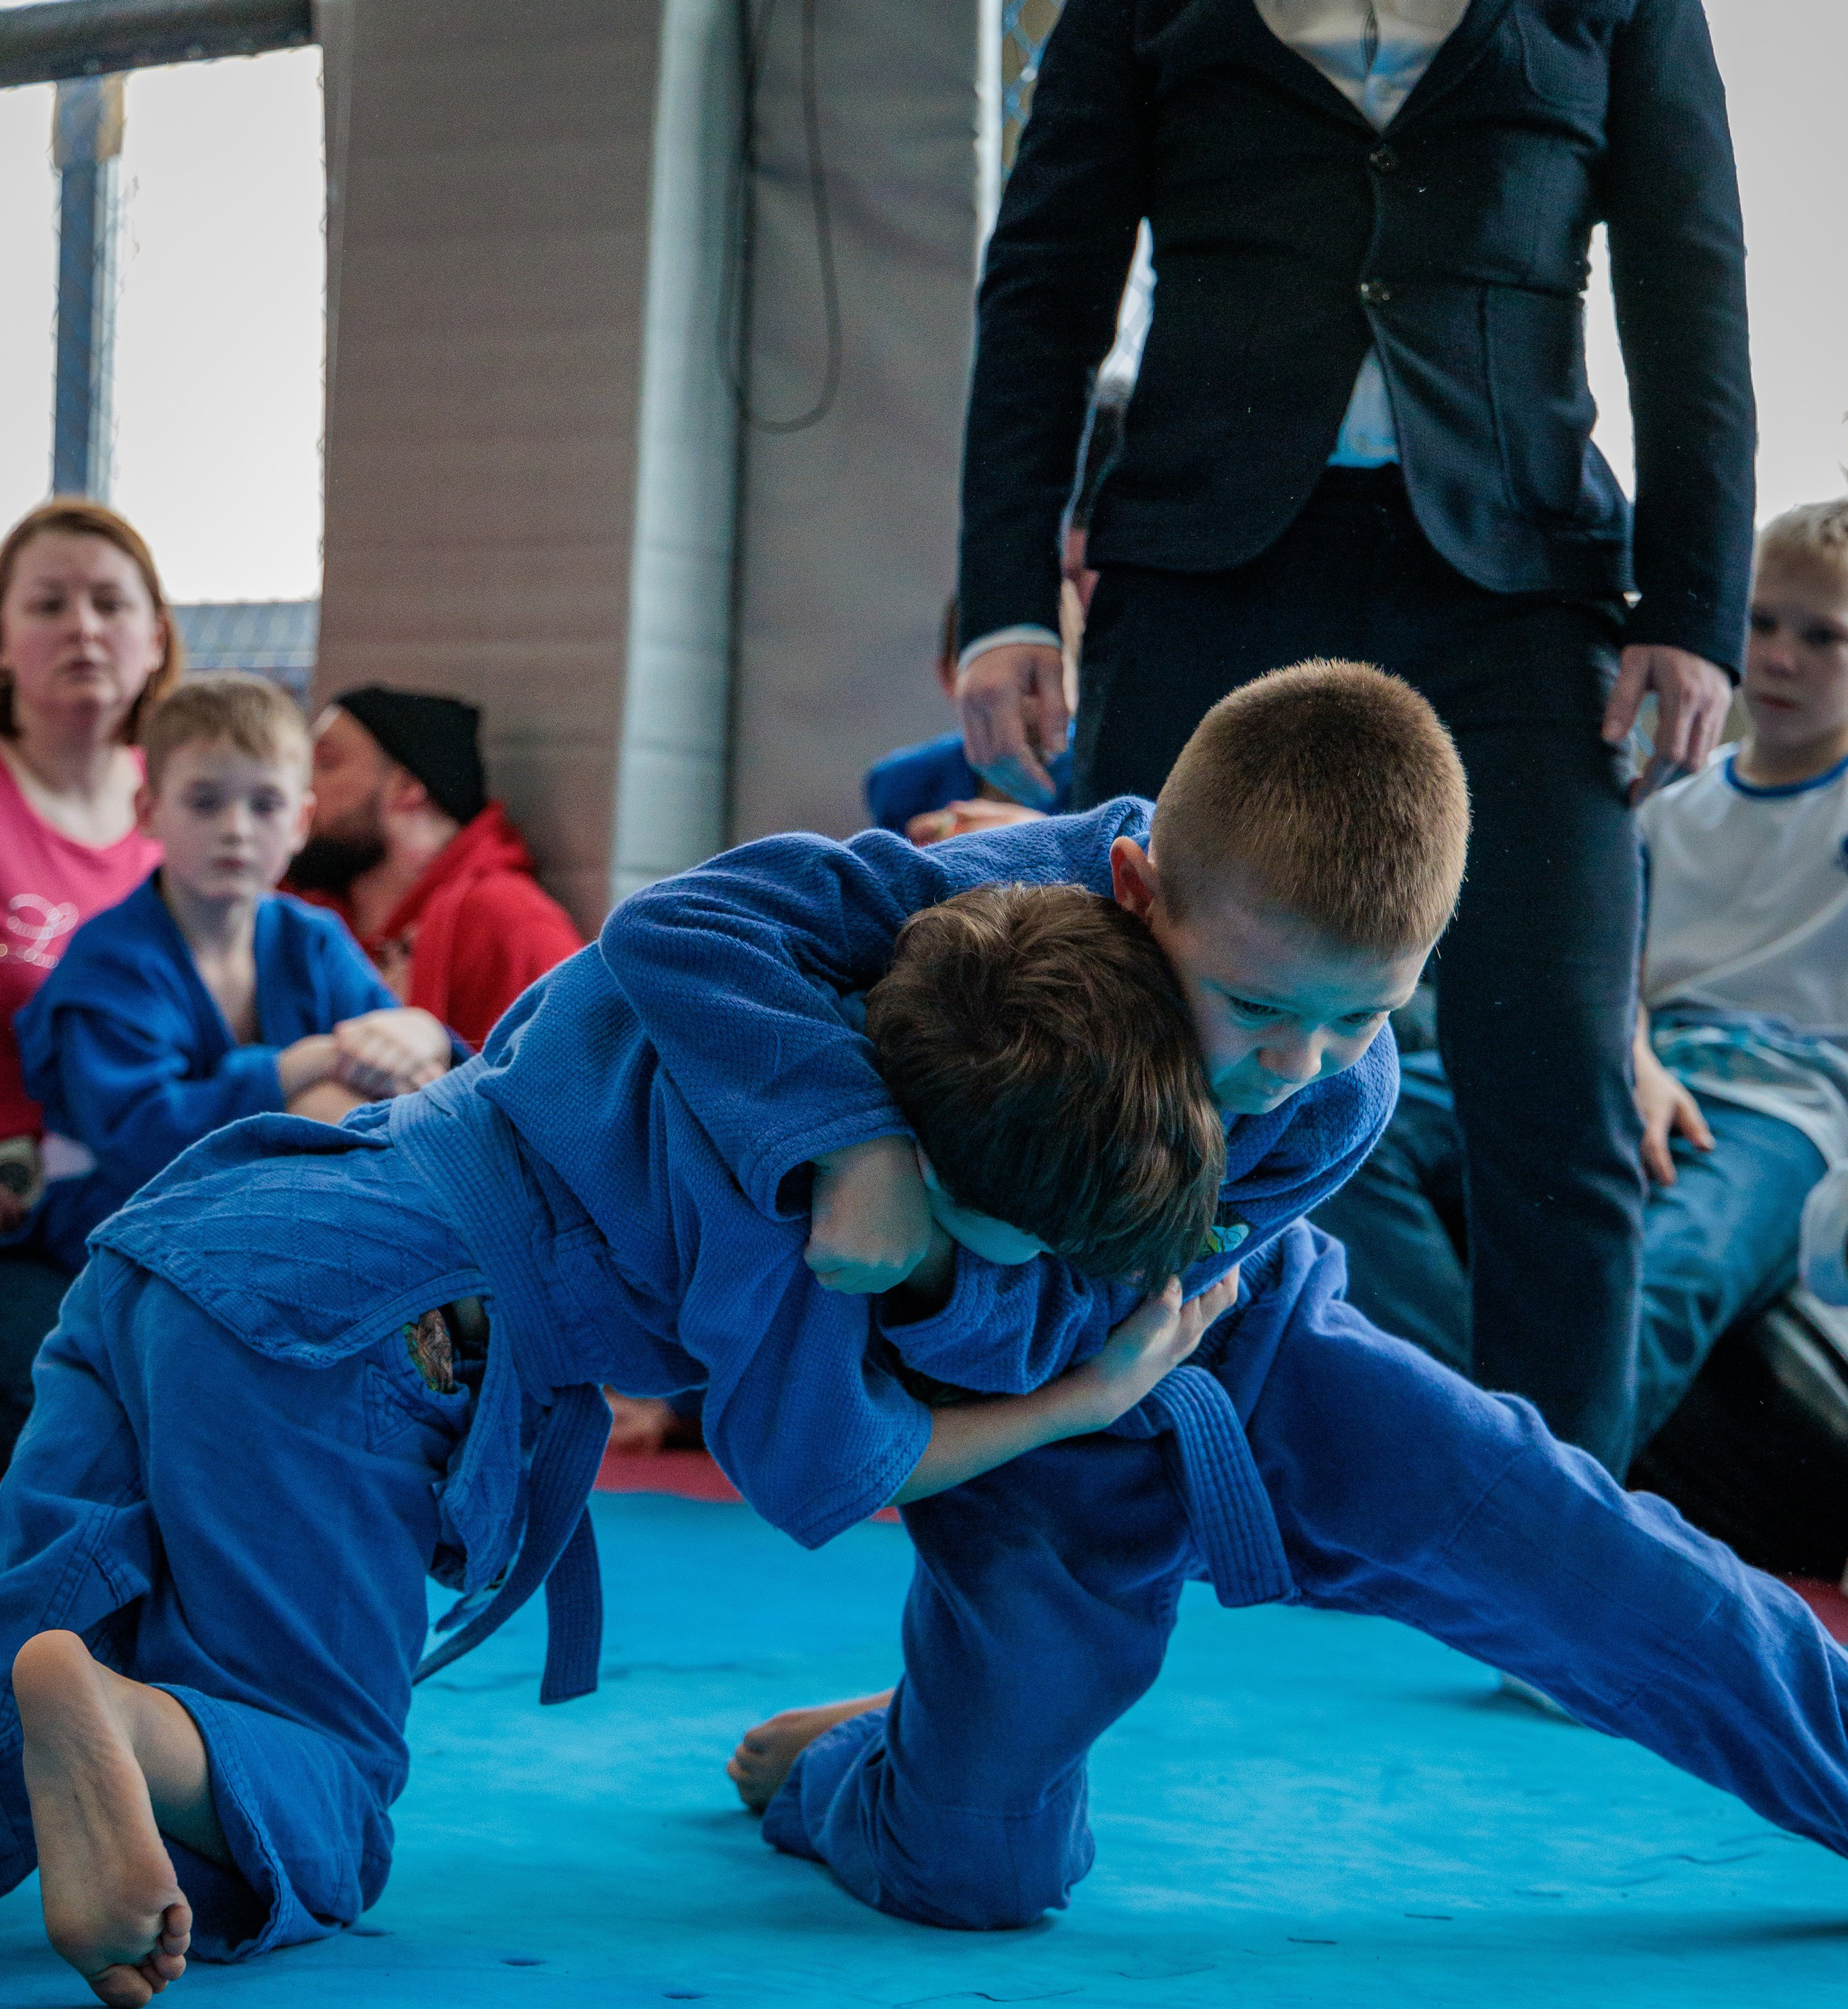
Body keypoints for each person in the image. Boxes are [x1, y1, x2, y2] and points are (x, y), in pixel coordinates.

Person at [592, 666, 1848, 1938]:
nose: (1296, 1064)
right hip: (1030, 1448)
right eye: (1256, 1007)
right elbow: (683, 930)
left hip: (1239, 1350)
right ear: (1136, 892)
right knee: (977, 1879)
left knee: (1589, 1554)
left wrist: (950, 1273)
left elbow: (1125, 1306)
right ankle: (870, 1767)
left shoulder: (1341, 1095)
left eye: (1364, 1013)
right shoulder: (991, 901)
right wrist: (855, 1141)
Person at [0, 864, 1234, 2008]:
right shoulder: (810, 1235)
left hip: (199, 1222)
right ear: (957, 1186)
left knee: (15, 1650)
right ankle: (125, 1724)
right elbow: (849, 1470)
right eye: (1040, 1249)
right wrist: (1085, 1400)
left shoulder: (742, 1010)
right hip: (346, 1341)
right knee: (324, 1786)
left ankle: (44, 1691)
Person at [953, 0, 1755, 1475]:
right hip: (1201, 559)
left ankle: (1545, 1542)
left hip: (1519, 579)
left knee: (1553, 1079)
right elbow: (1045, 288)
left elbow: (1686, 282)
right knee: (1110, 1045)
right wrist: (1002, 598)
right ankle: (1072, 1496)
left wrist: (1695, 610)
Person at [1321, 502, 1848, 1474]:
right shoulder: (1669, 794)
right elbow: (1612, 970)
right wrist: (1634, 1057)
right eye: (1763, 622)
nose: (1779, 657)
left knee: (1663, 1274)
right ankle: (1477, 1446)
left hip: (1787, 1116)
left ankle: (1496, 1485)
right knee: (1342, 1117)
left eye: (1823, 638)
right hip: (1634, 1064)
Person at [15, 676, 454, 1234]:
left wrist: (420, 1030)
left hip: (264, 1209)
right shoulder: (110, 964)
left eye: (265, 804)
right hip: (122, 1219)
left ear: (300, 822)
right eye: (205, 802)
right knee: (324, 1105)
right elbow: (141, 1143)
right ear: (148, 811)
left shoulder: (311, 939)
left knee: (374, 1104)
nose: (236, 830)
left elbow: (397, 1059)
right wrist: (297, 1066)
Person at [0, 500, 179, 1472]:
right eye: (49, 605)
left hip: (138, 1217)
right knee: (86, 1406)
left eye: (110, 603)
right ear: (1, 645)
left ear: (156, 639)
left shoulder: (199, 810)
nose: (84, 628)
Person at [291, 684, 582, 1050]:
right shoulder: (296, 907)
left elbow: (557, 1089)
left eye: (327, 764)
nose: (300, 787)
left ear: (408, 787)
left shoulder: (510, 923)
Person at [863, 602, 1072, 844]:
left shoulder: (1106, 776)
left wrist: (1044, 838)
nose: (1006, 685)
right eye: (982, 667)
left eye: (1033, 668)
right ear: (948, 675)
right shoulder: (901, 785)